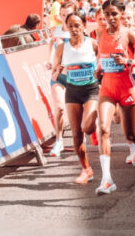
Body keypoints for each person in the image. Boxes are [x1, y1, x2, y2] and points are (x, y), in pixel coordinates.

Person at [95, 0, 135, 195]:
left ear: (121, 14)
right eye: (107, 14)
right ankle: (107, 179)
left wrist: (128, 60)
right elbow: (101, 58)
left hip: (127, 89)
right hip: (107, 89)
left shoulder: (129, 34)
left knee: (129, 134)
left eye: (114, 14)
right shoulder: (100, 34)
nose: (110, 18)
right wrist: (98, 68)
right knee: (103, 129)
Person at [51, 11, 99, 184]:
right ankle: (86, 169)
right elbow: (54, 74)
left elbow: (101, 64)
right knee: (77, 134)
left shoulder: (92, 44)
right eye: (70, 26)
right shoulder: (62, 48)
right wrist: (58, 69)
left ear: (84, 26)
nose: (74, 29)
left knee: (87, 127)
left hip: (91, 90)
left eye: (77, 25)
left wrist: (99, 72)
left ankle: (94, 121)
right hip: (72, 91)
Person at [48, 1, 76, 158]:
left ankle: (81, 139)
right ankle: (59, 140)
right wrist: (50, 60)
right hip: (58, 76)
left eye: (69, 15)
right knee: (59, 107)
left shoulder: (78, 31)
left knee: (76, 112)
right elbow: (51, 46)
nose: (65, 18)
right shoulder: (55, 30)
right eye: (63, 15)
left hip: (75, 76)